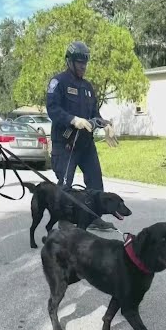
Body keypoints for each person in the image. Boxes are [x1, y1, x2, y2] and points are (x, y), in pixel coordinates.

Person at [46, 40, 118, 231]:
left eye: (85, 63)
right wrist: (73, 120)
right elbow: (52, 109)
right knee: (65, 184)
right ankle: (63, 221)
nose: (83, 66)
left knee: (95, 181)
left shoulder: (87, 87)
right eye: (79, 62)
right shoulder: (58, 82)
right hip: (66, 142)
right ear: (69, 61)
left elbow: (95, 114)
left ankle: (94, 217)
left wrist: (106, 124)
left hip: (86, 143)